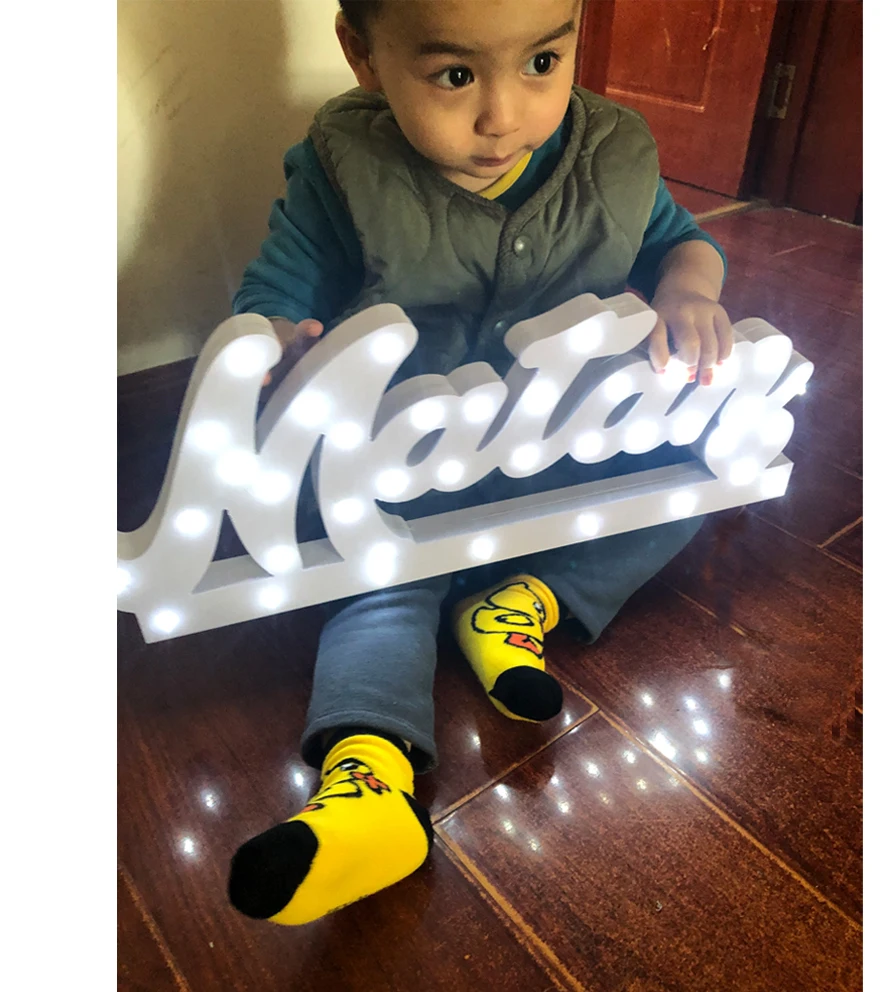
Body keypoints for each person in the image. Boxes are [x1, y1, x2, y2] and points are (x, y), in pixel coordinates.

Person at [227, 0, 732, 926]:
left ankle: (522, 603)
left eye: (542, 62)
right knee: (381, 592)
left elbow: (680, 242)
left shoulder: (613, 152)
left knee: (691, 480)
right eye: (455, 76)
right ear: (363, 55)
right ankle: (367, 787)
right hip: (403, 472)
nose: (503, 117)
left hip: (558, 448)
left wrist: (689, 289)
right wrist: (276, 342)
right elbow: (274, 293)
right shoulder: (344, 167)